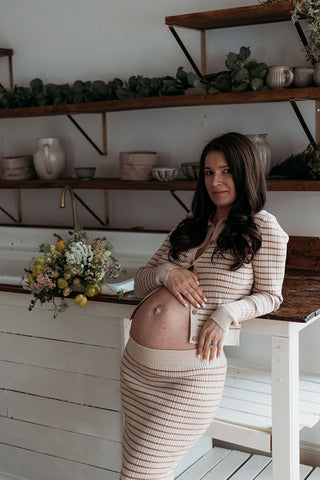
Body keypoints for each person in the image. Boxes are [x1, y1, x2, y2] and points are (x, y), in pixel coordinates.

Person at [120, 132, 288, 480]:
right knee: (140, 471)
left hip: (192, 376)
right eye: (208, 172)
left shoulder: (263, 227)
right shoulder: (189, 225)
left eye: (226, 171)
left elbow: (272, 295)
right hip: (137, 370)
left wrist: (227, 314)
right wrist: (167, 272)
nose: (216, 181)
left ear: (245, 173)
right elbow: (140, 283)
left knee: (139, 475)